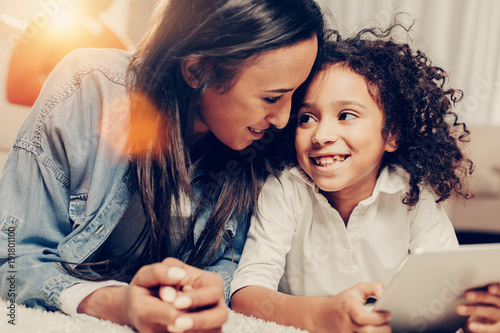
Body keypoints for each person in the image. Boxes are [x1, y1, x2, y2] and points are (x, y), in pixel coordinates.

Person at [0, 0, 325, 332]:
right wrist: (111, 302)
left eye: (294, 96)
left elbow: (230, 268)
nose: (284, 120)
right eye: (272, 98)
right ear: (197, 70)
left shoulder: (259, 150)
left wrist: (209, 291)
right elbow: (11, 257)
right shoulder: (87, 85)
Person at [230, 26, 500, 333]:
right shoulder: (285, 188)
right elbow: (245, 298)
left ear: (392, 134)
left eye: (346, 115)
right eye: (307, 118)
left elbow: (450, 287)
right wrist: (323, 316)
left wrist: (473, 318)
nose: (321, 135)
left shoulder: (412, 195)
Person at [6, 0, 133, 106]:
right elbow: (18, 87)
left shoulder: (117, 41)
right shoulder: (44, 25)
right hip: (56, 128)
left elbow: (131, 91)